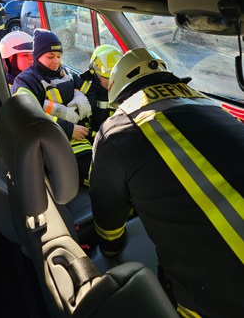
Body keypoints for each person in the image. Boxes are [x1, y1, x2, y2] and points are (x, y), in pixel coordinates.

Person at [89, 47, 244, 318]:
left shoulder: (116, 131)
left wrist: (110, 246)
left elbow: (108, 214)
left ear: (120, 93)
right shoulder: (212, 105)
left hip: (216, 302)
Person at [11, 28, 94, 186]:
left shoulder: (66, 72)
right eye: (50, 56)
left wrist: (81, 101)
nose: (56, 61)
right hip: (57, 144)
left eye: (59, 56)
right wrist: (68, 129)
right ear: (37, 56)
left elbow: (90, 91)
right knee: (100, 176)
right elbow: (27, 116)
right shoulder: (26, 81)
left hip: (85, 134)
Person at [79, 44, 123, 141]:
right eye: (108, 77)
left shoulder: (125, 91)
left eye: (116, 76)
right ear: (95, 74)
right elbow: (83, 127)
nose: (113, 81)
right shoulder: (84, 93)